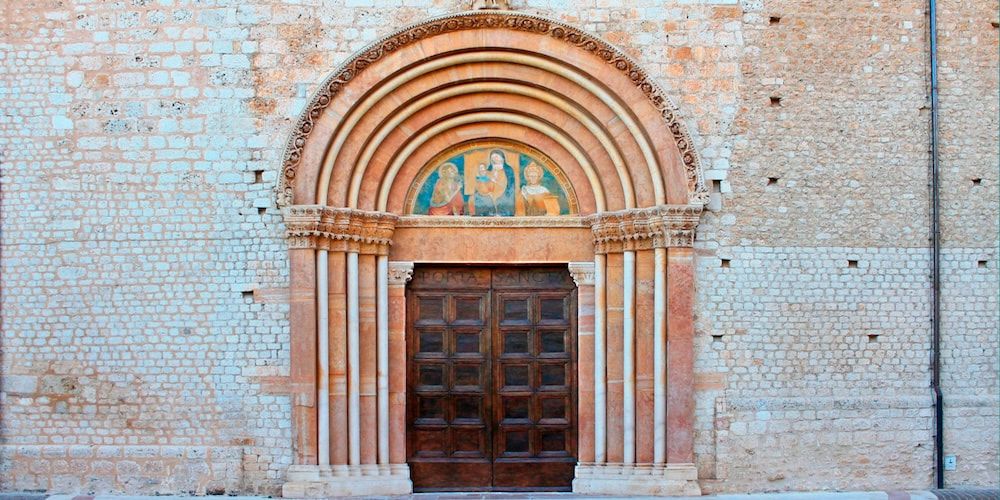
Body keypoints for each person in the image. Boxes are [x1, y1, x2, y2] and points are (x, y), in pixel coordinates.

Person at [471, 149, 515, 216]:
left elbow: (511, 184)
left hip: (504, 191)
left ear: (502, 158)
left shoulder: (508, 169)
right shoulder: (489, 168)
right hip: (490, 190)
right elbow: (484, 180)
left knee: (505, 200)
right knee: (478, 196)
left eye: (497, 157)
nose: (495, 159)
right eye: (493, 157)